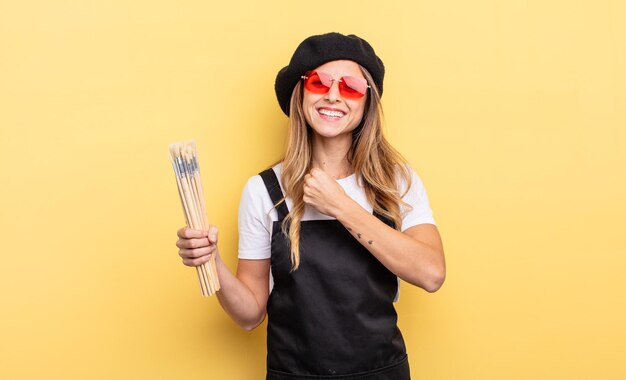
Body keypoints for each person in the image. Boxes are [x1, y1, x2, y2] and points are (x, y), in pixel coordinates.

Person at [176, 32, 445, 379]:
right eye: (319, 82)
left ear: (367, 102)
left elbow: (432, 273)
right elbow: (249, 315)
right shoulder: (264, 190)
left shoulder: (397, 181)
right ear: (301, 94)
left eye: (349, 87)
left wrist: (341, 206)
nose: (333, 95)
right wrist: (211, 261)